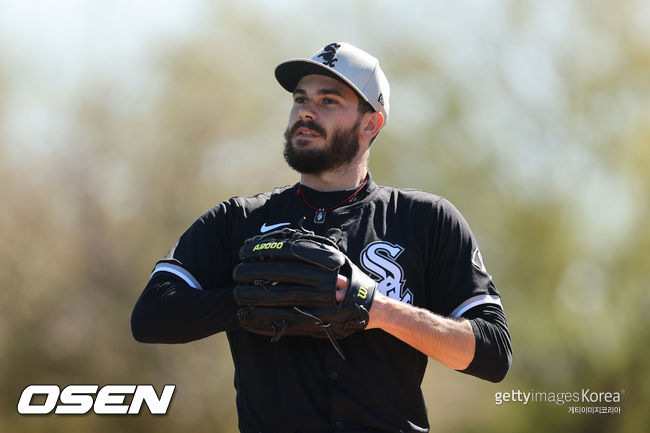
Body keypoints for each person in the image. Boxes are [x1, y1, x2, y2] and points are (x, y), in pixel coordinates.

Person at [131, 42, 512, 433]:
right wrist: (252, 300)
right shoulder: (240, 220)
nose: (306, 111)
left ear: (370, 124)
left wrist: (377, 309)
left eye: (329, 100)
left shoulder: (425, 220)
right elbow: (151, 317)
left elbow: (493, 353)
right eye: (300, 99)